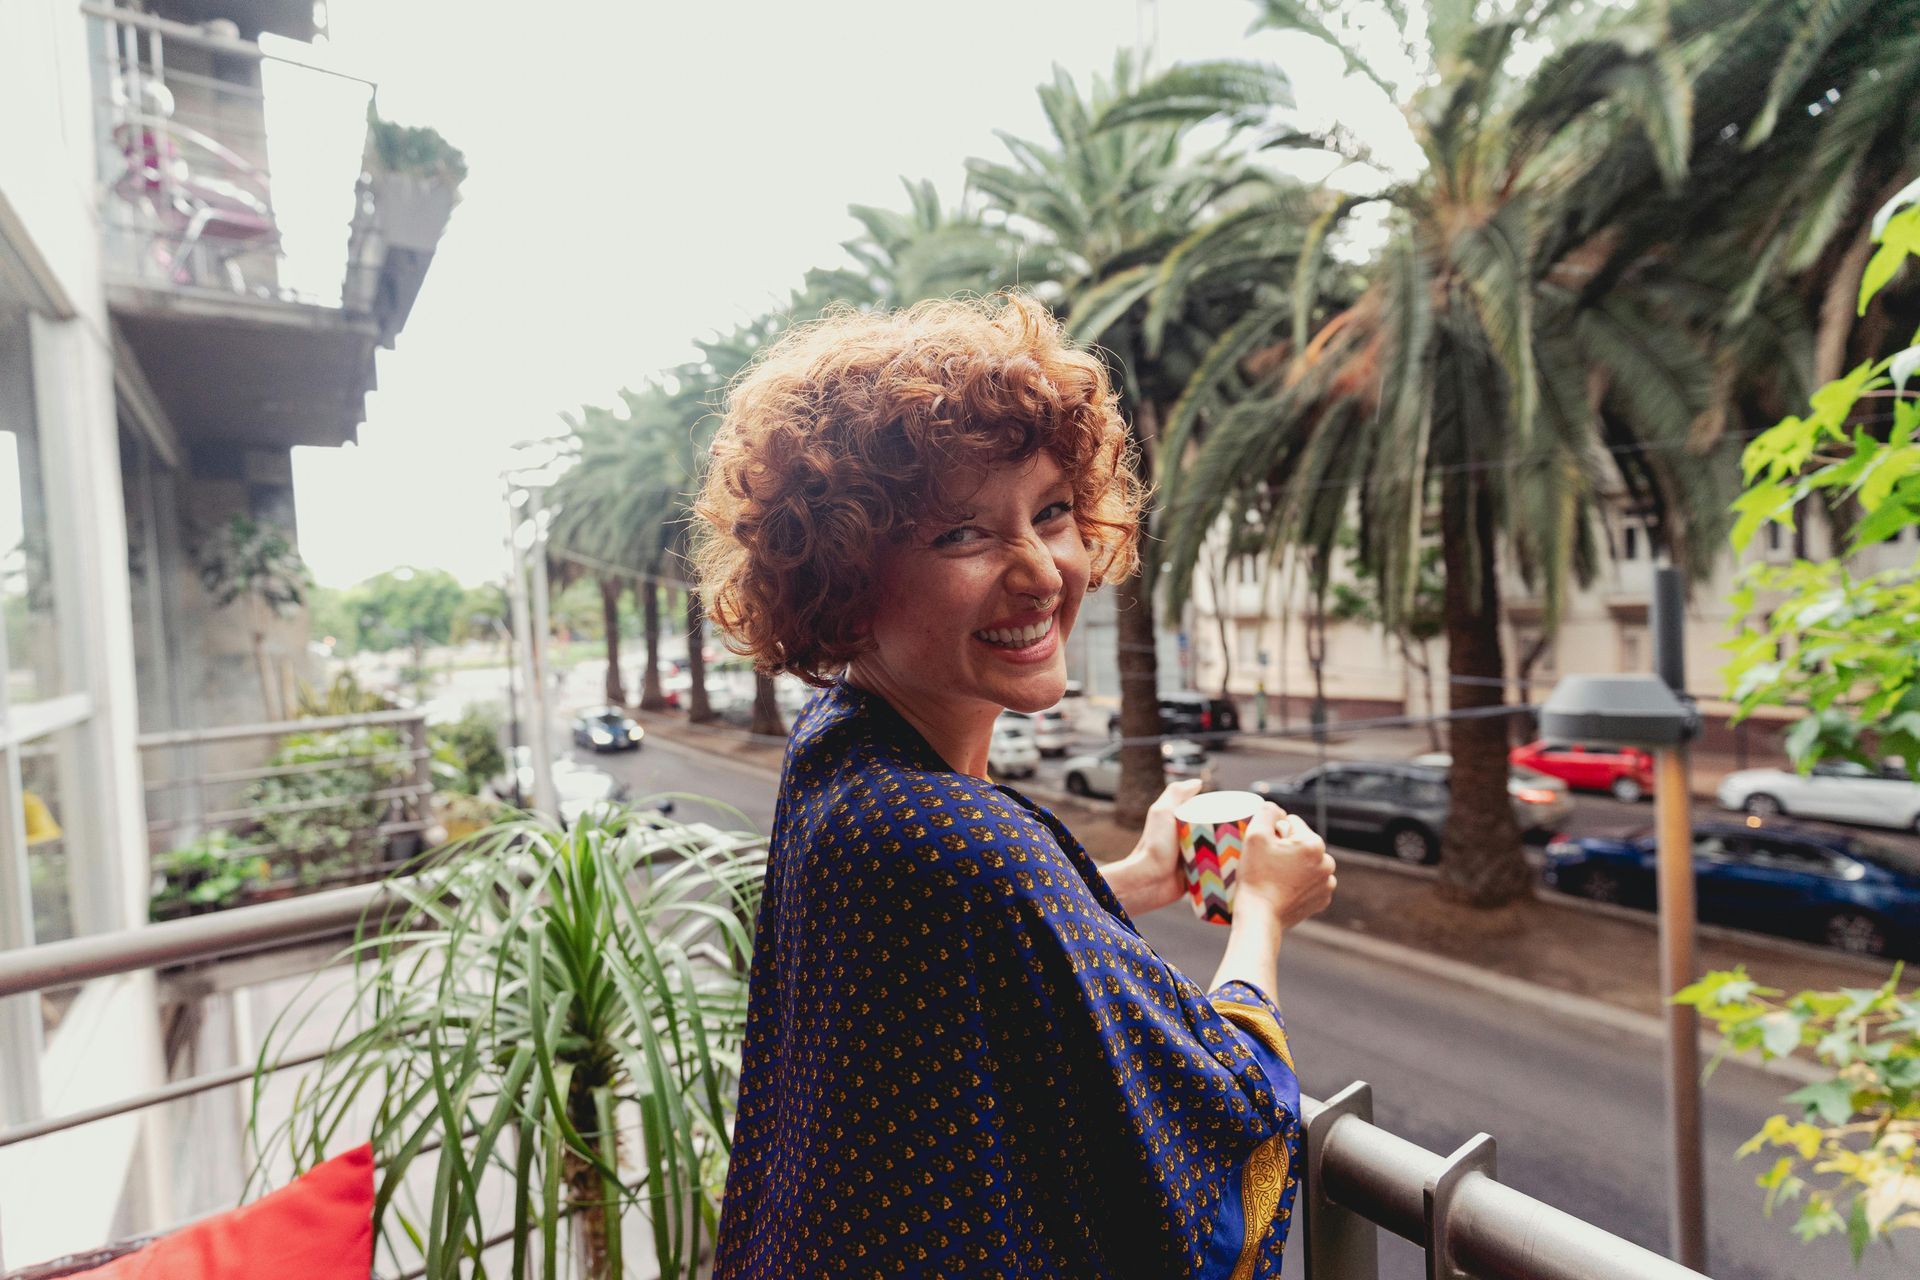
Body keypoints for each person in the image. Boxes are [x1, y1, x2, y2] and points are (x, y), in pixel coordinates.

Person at [692, 294, 1337, 1278]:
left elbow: (975, 946)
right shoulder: (967, 838)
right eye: (963, 534)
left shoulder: (842, 753)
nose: (1042, 571)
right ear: (846, 581)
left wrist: (1135, 878)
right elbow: (1221, 1133)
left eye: (1052, 512)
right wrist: (1261, 907)